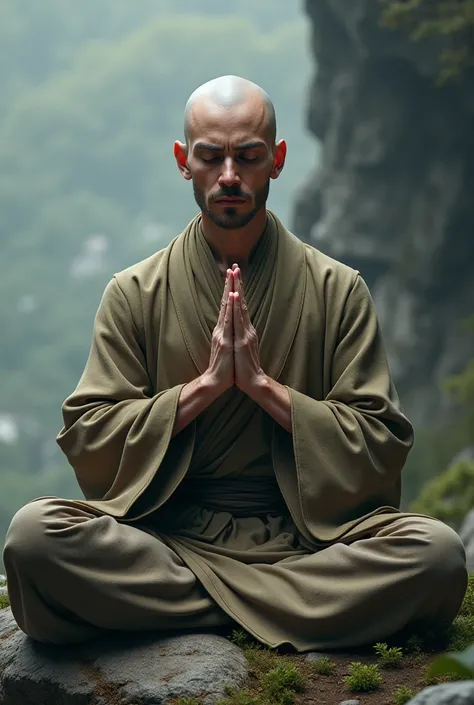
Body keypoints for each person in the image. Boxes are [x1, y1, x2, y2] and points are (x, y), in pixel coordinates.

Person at [3, 75, 467, 650]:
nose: (229, 176)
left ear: (276, 160)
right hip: (173, 537)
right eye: (210, 157)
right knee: (33, 539)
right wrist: (203, 388)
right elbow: (90, 437)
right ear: (183, 161)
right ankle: (286, 611)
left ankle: (201, 610)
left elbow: (379, 444)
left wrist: (264, 388)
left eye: (247, 157)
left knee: (437, 555)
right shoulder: (134, 292)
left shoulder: (338, 290)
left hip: (306, 540)